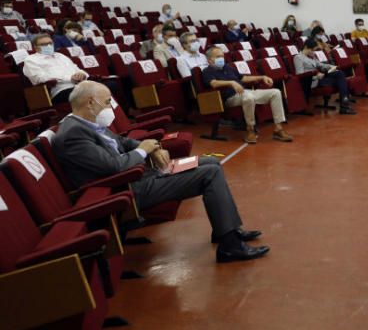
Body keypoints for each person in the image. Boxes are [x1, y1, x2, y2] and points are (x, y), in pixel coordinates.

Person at [53, 81, 269, 263]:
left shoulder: (87, 123)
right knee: (209, 173)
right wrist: (142, 150)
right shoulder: (74, 134)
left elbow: (121, 141)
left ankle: (227, 229)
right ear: (91, 102)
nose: (111, 108)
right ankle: (229, 245)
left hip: (139, 177)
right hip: (127, 189)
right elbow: (114, 167)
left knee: (210, 163)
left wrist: (153, 147)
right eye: (108, 102)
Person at [202, 46, 293, 144]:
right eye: (218, 56)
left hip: (245, 92)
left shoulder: (227, 67)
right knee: (248, 97)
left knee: (275, 92)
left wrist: (262, 77)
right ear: (210, 60)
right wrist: (231, 83)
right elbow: (214, 83)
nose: (222, 59)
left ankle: (278, 129)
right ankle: (250, 129)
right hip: (230, 98)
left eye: (222, 56)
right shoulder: (207, 71)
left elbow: (243, 78)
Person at [22, 33, 89, 103]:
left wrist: (82, 74)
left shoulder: (60, 56)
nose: (48, 46)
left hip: (80, 85)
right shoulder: (31, 60)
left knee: (99, 88)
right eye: (44, 44)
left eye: (50, 43)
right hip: (61, 90)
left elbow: (76, 68)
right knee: (89, 94)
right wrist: (70, 78)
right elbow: (39, 78)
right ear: (35, 47)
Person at [293, 38, 355, 114]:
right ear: (306, 47)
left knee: (339, 74)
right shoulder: (298, 58)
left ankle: (344, 106)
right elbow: (300, 75)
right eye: (312, 50)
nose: (314, 52)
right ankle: (344, 105)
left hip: (320, 77)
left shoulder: (311, 56)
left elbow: (321, 65)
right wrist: (316, 77)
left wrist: (332, 66)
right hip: (312, 81)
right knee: (341, 79)